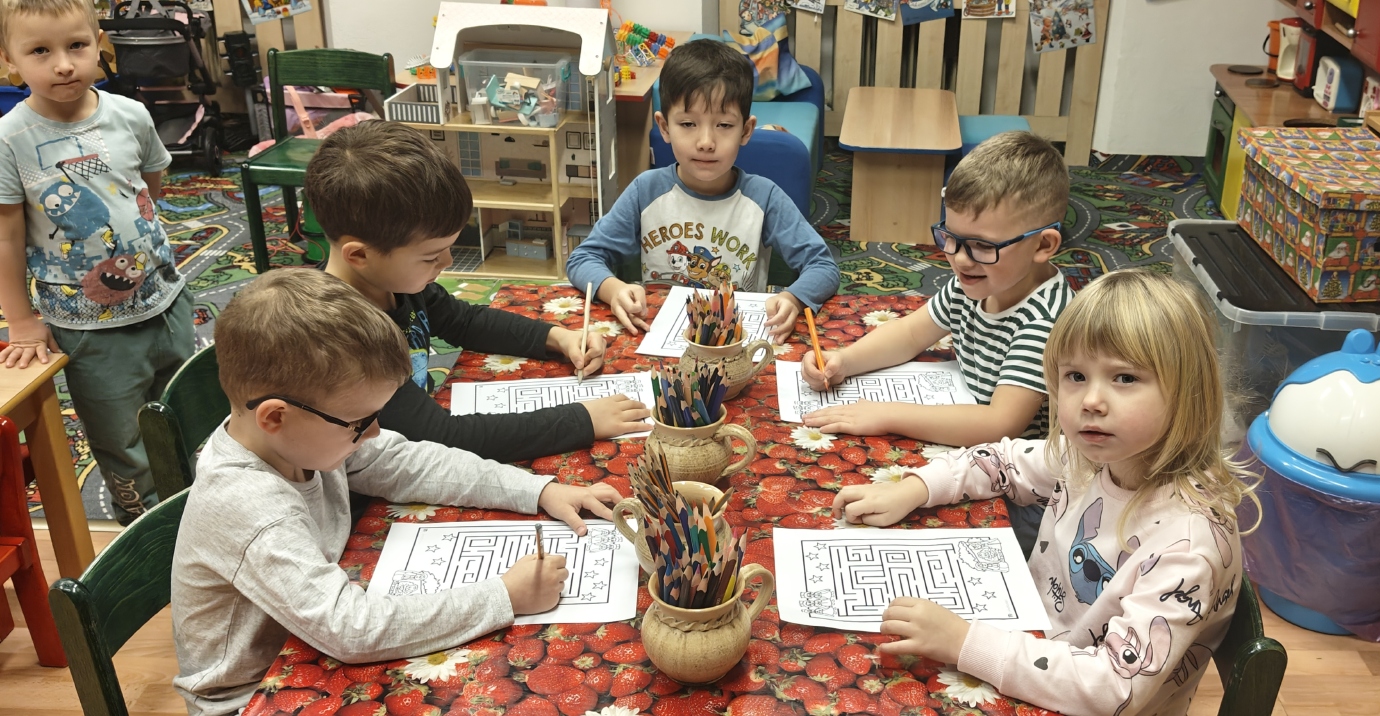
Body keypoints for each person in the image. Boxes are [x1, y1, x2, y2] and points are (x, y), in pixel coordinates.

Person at [171, 269, 619, 716]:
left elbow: (405, 461)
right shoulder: (251, 506)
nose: (375, 432)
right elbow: (350, 629)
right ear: (274, 417)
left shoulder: (297, 437)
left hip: (313, 644)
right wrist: (503, 595)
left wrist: (539, 490)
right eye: (360, 422)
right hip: (251, 697)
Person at [832, 270, 1257, 716]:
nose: (1091, 401)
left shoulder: (1187, 547)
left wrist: (963, 641)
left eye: (1125, 378)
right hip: (1036, 644)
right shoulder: (1091, 455)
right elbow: (1004, 461)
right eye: (1075, 375)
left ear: (1189, 393)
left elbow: (1113, 689)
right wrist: (917, 488)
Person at [306, 120, 650, 463]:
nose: (448, 262)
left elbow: (464, 321)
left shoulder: (389, 281)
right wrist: (582, 420)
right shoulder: (343, 340)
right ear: (360, 255)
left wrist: (558, 338)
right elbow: (442, 437)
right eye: (430, 256)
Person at [800, 130, 1073, 547]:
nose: (960, 259)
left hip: (1025, 491)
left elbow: (999, 424)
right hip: (973, 448)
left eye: (981, 246)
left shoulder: (1045, 319)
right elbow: (911, 332)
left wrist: (885, 414)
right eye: (951, 237)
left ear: (1043, 245)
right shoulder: (979, 280)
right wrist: (845, 361)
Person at [0, 0, 194, 524]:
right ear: (9, 60)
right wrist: (21, 320)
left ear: (99, 44)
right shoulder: (9, 140)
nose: (64, 64)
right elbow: (7, 237)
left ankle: (201, 510)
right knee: (121, 438)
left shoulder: (130, 114)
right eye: (40, 51)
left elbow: (148, 187)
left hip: (166, 299)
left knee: (187, 413)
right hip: (91, 328)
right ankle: (148, 531)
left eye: (76, 46)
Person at [564, 38, 838, 345]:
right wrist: (613, 288)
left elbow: (823, 267)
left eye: (724, 125)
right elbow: (583, 258)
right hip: (658, 338)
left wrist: (793, 298)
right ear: (664, 127)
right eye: (688, 124)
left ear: (746, 130)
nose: (706, 142)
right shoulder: (645, 191)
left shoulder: (765, 197)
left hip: (734, 345)